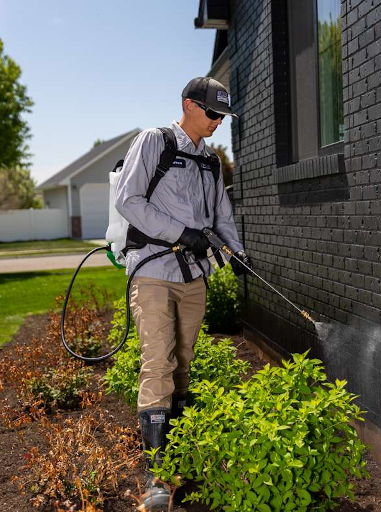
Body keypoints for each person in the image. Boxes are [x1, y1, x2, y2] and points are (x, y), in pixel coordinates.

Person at [114, 77, 252, 511]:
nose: (216, 123)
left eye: (222, 117)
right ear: (189, 105)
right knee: (158, 361)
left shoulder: (210, 162)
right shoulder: (154, 142)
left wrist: (237, 253)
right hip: (153, 270)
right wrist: (180, 233)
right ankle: (155, 476)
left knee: (183, 365)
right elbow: (129, 200)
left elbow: (222, 218)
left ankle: (178, 459)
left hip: (193, 275)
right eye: (212, 114)